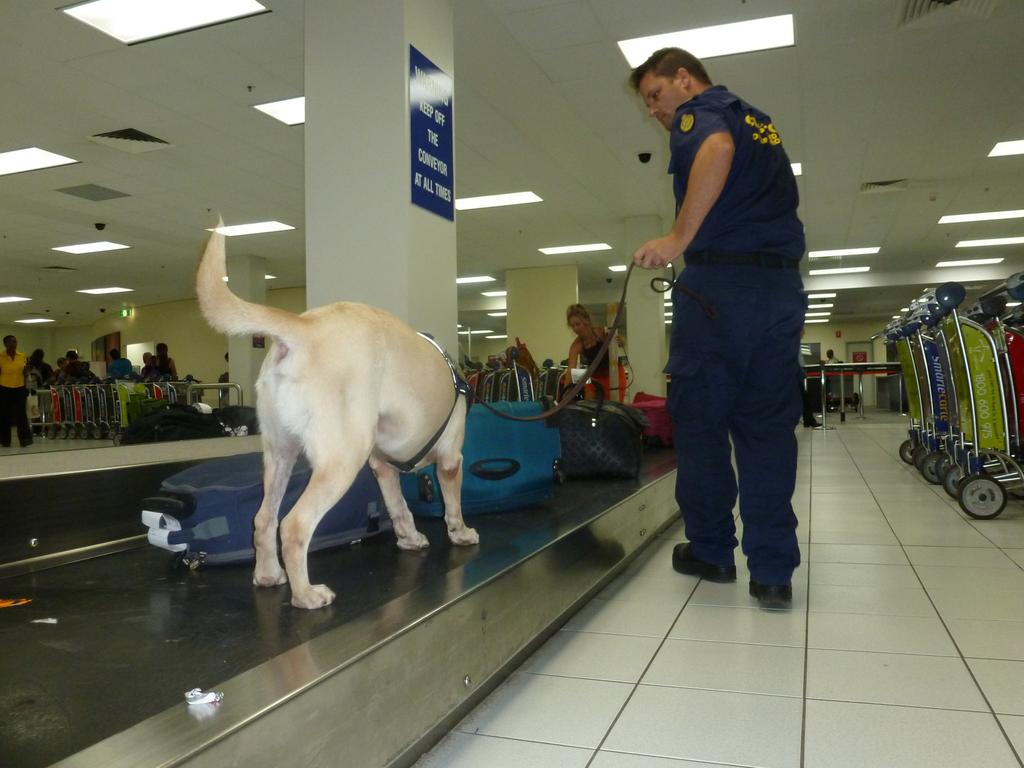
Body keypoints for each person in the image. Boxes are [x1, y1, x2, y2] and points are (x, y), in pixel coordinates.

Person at [630, 48, 805, 609]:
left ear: (684, 79)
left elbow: (717, 148)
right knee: (767, 430)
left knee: (702, 422)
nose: (656, 112)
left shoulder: (701, 113)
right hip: (778, 293)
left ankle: (711, 549)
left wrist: (678, 239)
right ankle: (773, 572)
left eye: (655, 95)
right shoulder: (759, 119)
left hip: (719, 293)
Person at [562, 304, 610, 399]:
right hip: (595, 377)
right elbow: (570, 371)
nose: (575, 329)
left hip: (613, 374)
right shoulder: (576, 346)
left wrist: (620, 340)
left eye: (578, 324)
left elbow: (619, 340)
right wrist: (565, 394)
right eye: (572, 326)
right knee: (575, 377)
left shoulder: (601, 333)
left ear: (586, 321)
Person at [0, 335, 33, 447]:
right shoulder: (1, 357)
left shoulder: (22, 356)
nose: (14, 344)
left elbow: (25, 372)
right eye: (12, 342)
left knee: (21, 414)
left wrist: (26, 372)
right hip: (4, 387)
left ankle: (24, 439)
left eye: (15, 342)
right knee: (5, 414)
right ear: (6, 344)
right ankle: (5, 440)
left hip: (19, 387)